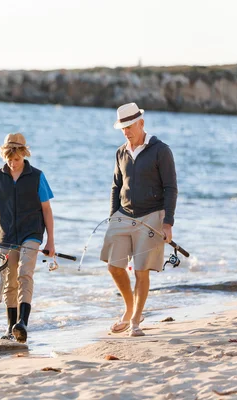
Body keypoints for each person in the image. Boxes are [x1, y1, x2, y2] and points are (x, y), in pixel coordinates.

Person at [101, 103, 178, 337]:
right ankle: (129, 308)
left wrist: (168, 223)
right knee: (114, 266)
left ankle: (135, 320)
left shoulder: (160, 150)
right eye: (122, 127)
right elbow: (116, 186)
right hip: (123, 215)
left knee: (141, 270)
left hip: (152, 215)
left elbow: (170, 188)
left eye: (129, 126)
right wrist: (113, 214)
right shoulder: (121, 152)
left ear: (141, 123)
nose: (126, 131)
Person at [0, 133, 56, 343]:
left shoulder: (37, 176)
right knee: (9, 281)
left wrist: (50, 240)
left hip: (31, 233)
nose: (12, 163)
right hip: (6, 235)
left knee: (25, 273)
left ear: (24, 155)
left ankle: (23, 323)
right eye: (8, 159)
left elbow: (46, 209)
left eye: (16, 159)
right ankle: (11, 328)